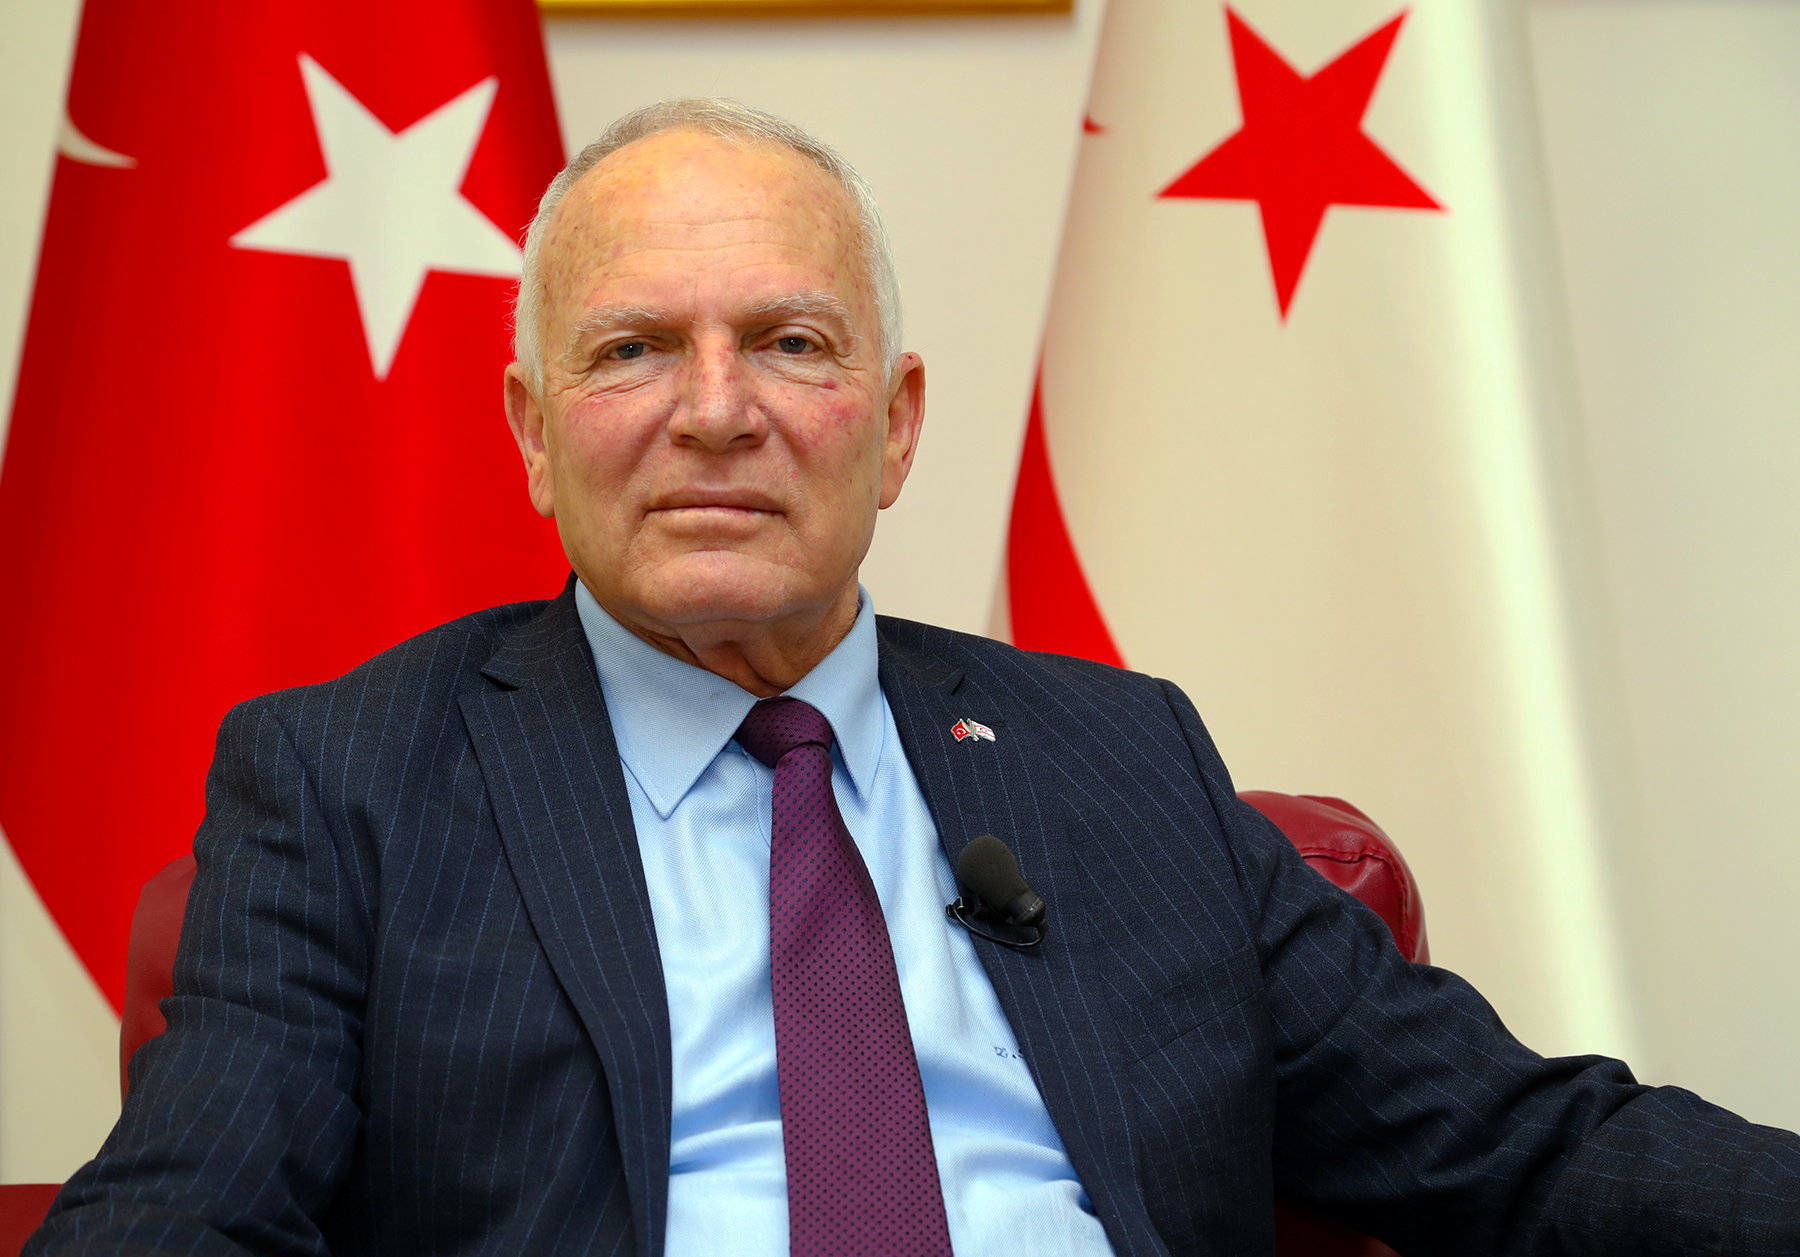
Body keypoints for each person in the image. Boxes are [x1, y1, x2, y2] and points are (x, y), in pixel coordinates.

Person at [30, 99, 1800, 1257]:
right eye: (632, 348)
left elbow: (1514, 1144)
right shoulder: (346, 778)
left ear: (893, 426)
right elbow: (188, 1208)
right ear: (533, 435)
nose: (715, 409)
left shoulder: (1120, 757)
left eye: (789, 342)